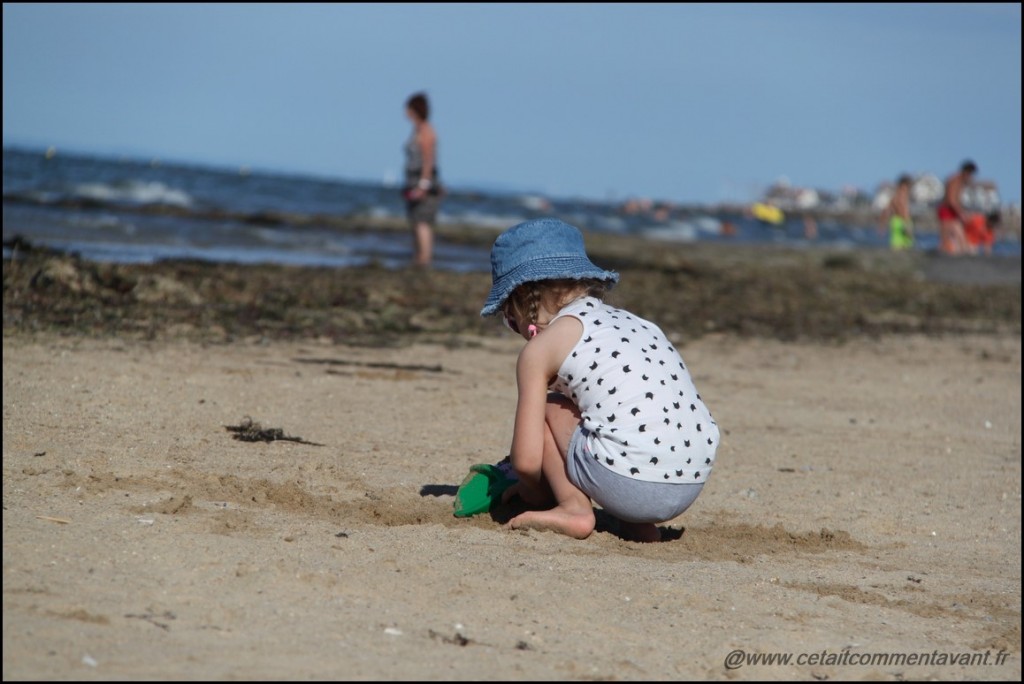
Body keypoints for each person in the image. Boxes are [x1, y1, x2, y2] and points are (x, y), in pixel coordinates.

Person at [479, 218, 718, 542]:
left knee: (550, 408)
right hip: (690, 480)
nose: (513, 326)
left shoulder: (539, 351)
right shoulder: (634, 324)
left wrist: (530, 492)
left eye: (509, 317)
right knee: (612, 413)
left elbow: (526, 461)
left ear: (522, 298)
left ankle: (573, 508)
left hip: (630, 483)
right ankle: (637, 526)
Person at [402, 92, 442, 266]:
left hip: (423, 181)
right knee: (416, 220)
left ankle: (425, 257)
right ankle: (420, 255)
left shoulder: (426, 131)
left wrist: (424, 185)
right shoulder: (416, 130)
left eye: (408, 108)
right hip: (413, 181)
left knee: (423, 221)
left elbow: (428, 159)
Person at [937, 161, 977, 255]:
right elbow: (951, 200)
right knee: (946, 238)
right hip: (947, 210)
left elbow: (956, 200)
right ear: (967, 172)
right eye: (971, 175)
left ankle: (962, 256)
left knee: (959, 237)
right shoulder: (955, 180)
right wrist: (961, 213)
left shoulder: (960, 181)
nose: (971, 177)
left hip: (952, 211)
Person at [879, 175, 914, 251]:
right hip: (902, 222)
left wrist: (882, 224)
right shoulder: (903, 196)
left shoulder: (894, 197)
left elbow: (886, 210)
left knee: (896, 247)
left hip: (895, 221)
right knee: (906, 248)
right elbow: (904, 212)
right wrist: (907, 225)